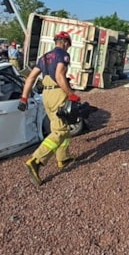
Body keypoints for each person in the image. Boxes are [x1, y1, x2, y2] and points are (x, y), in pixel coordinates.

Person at [17, 31, 80, 186]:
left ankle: (63, 157)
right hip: (58, 93)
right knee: (61, 131)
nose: (68, 48)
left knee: (59, 125)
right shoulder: (63, 55)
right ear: (65, 43)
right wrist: (71, 94)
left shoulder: (44, 58)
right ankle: (36, 161)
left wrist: (24, 97)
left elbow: (31, 77)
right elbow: (59, 76)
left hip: (46, 94)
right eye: (68, 45)